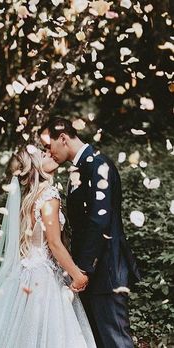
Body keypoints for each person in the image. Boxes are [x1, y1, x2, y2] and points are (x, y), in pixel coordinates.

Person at [0, 146, 96, 348]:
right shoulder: (48, 197)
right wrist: (78, 275)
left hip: (24, 273)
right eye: (43, 154)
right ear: (36, 167)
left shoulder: (28, 198)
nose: (49, 153)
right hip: (43, 278)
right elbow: (55, 244)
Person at [39, 117, 141, 348]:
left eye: (48, 146)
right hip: (88, 272)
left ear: (63, 138)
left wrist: (81, 270)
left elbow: (99, 221)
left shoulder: (99, 166)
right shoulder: (79, 168)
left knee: (115, 341)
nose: (48, 152)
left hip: (105, 270)